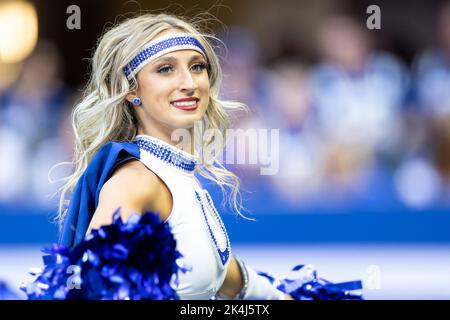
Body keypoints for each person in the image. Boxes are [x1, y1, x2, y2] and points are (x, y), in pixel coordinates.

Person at [57, 13, 291, 300]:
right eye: (166, 69)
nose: (189, 82)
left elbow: (229, 280)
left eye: (197, 67)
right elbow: (88, 288)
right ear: (130, 89)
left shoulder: (180, 178)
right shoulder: (135, 180)